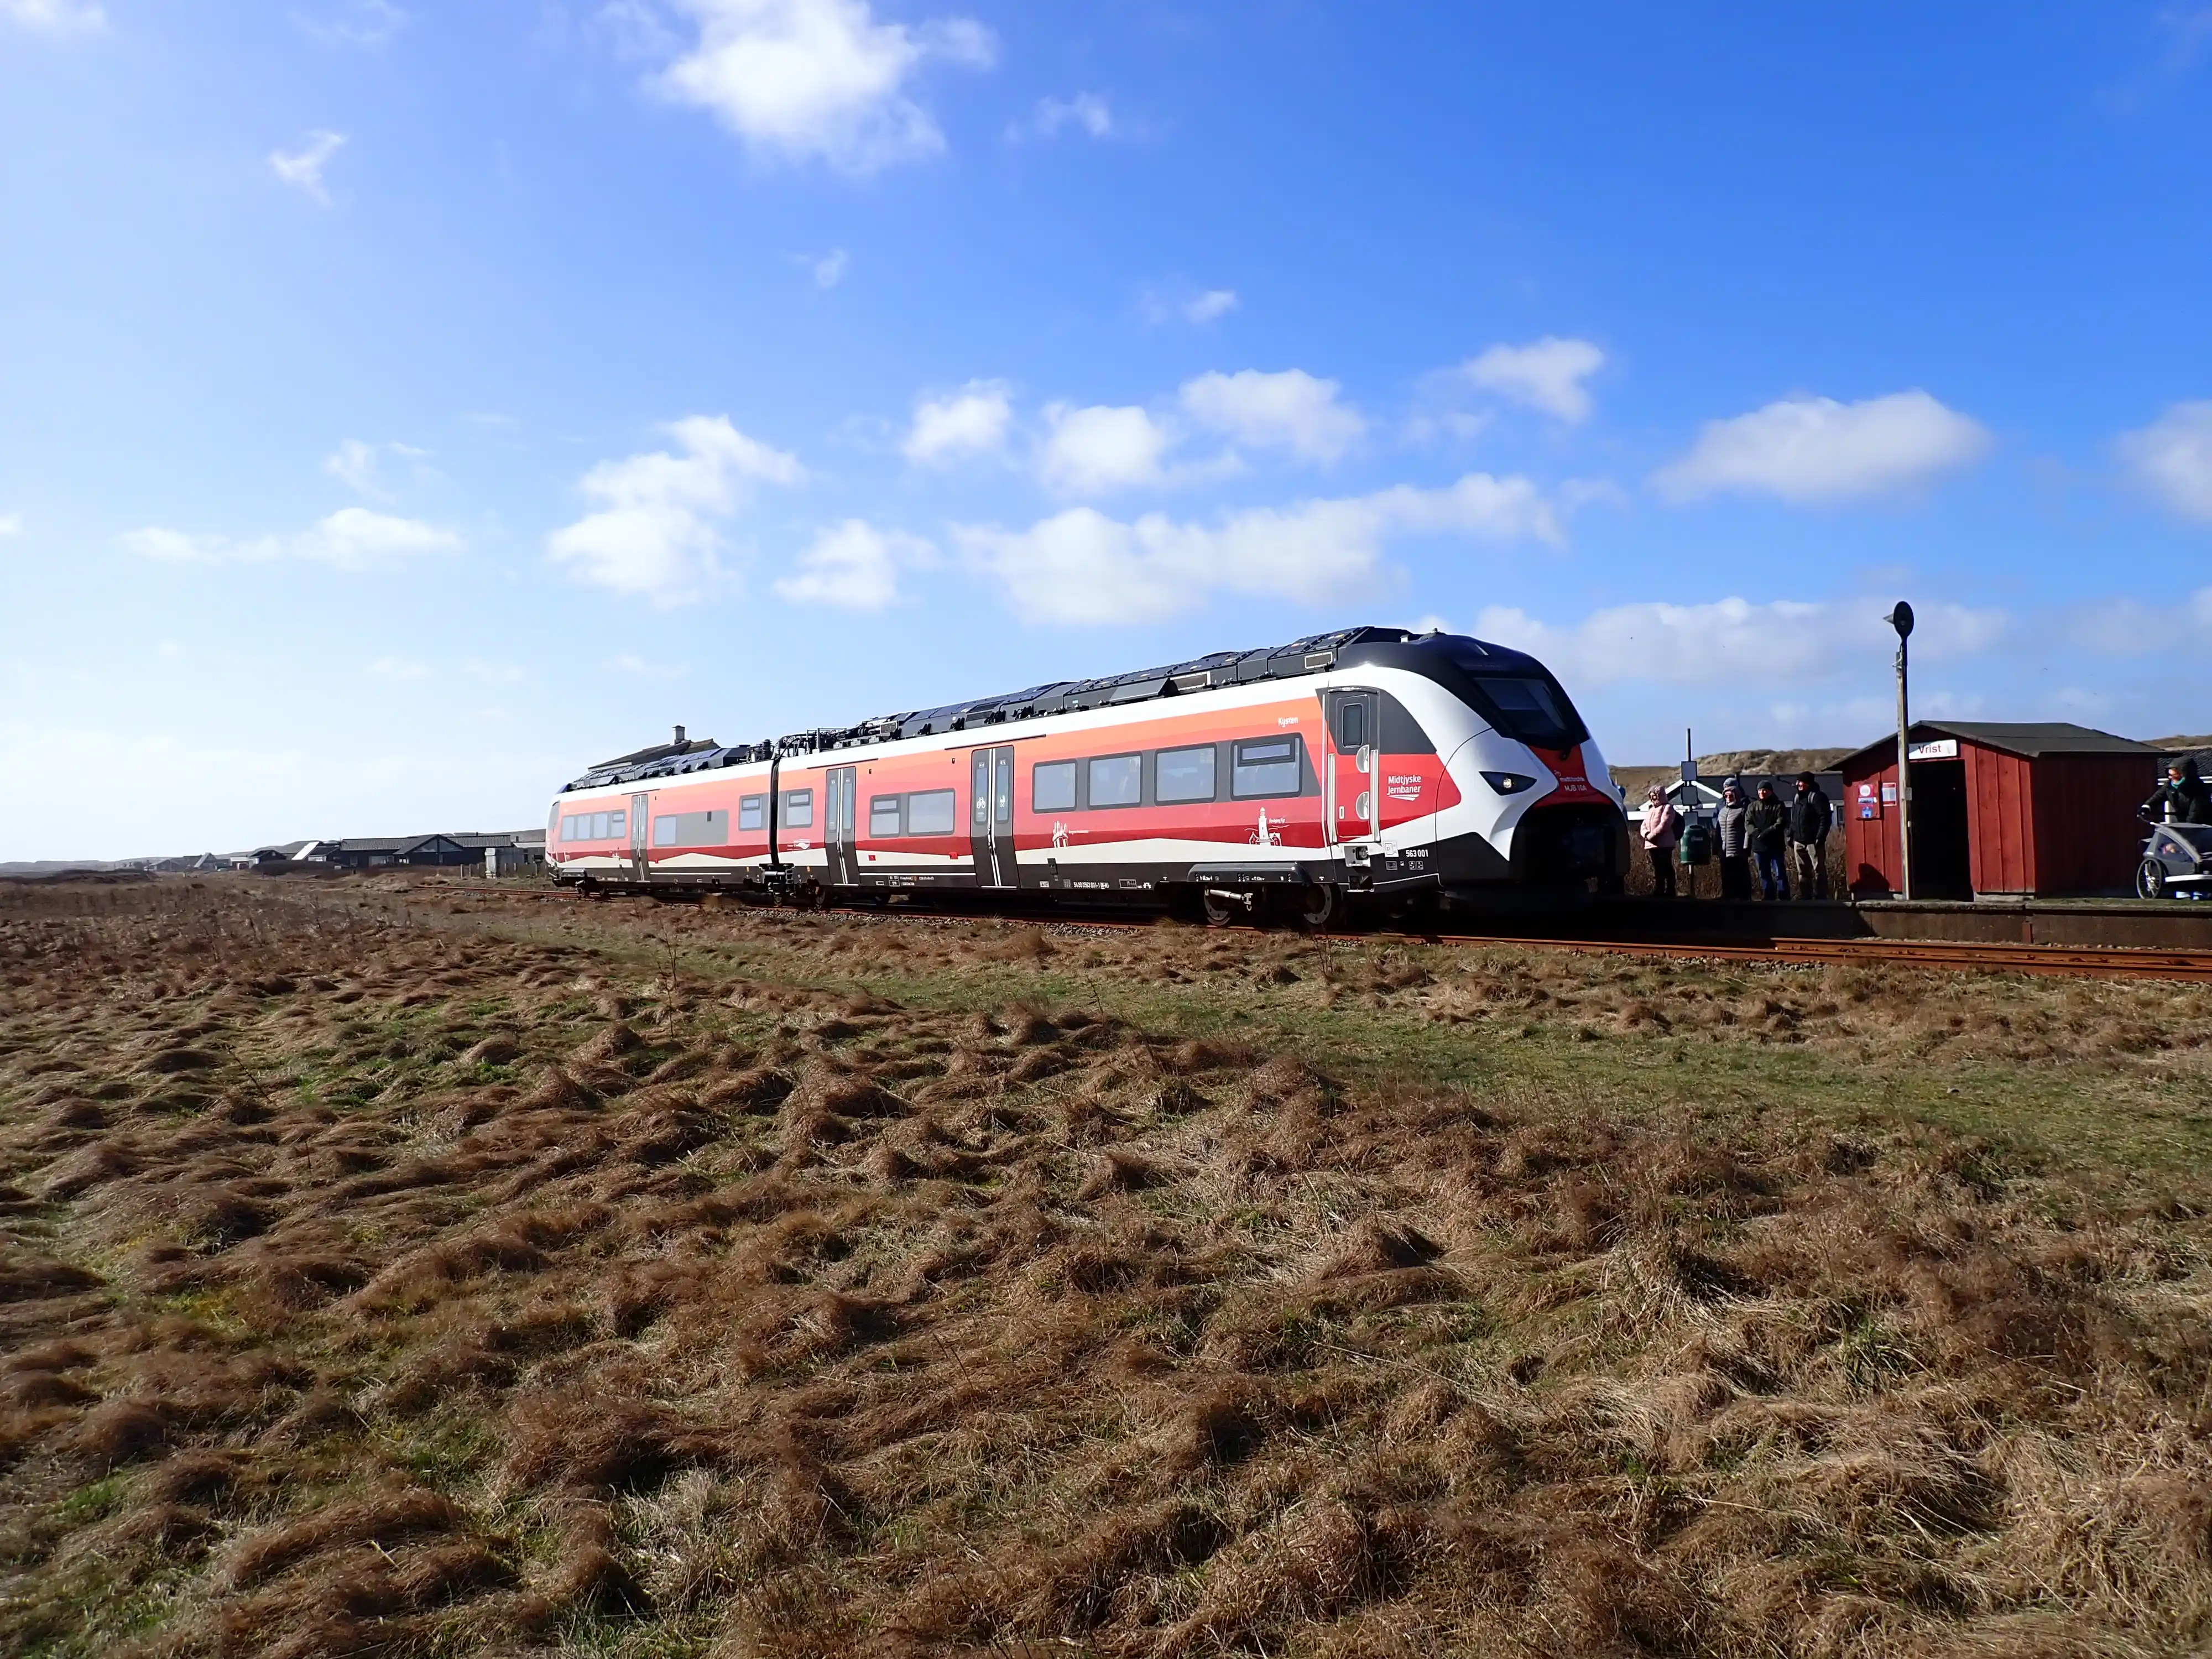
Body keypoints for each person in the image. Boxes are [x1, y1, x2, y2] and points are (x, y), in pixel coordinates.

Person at [1788, 771, 1833, 899]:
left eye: (1801, 782)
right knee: (1802, 871)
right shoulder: (1797, 798)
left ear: (1808, 783)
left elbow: (1825, 818)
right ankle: (1805, 894)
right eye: (1798, 782)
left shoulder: (1818, 797)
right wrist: (1790, 835)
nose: (1798, 785)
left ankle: (1820, 895)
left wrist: (1820, 837)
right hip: (1799, 841)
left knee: (1819, 869)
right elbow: (1794, 819)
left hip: (1813, 841)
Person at [1747, 779, 1790, 901]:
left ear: (1770, 791)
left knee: (1780, 873)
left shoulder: (1778, 805)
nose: (1762, 792)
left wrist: (1767, 833)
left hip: (1775, 845)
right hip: (1759, 846)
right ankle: (1768, 895)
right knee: (1764, 874)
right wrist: (1756, 833)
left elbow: (1780, 822)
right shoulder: (1753, 806)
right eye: (1760, 790)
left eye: (1764, 790)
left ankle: (1784, 896)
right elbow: (1748, 823)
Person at [2142, 758, 2212, 826]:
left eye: (2174, 776)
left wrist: (2187, 828)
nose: (2170, 778)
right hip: (2183, 823)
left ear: (2184, 775)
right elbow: (2158, 797)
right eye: (2169, 775)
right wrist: (2147, 806)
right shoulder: (2169, 786)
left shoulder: (2199, 789)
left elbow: (2195, 814)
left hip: (2203, 827)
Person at [1640, 783, 1681, 896]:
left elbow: (1665, 824)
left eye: (1655, 796)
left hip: (1665, 844)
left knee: (1666, 866)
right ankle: (1659, 889)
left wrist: (1653, 836)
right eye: (1651, 796)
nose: (1653, 799)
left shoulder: (1668, 808)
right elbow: (1644, 825)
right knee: (1657, 868)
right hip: (1652, 845)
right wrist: (1647, 834)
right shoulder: (1651, 810)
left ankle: (1670, 890)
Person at [1715, 776, 1752, 900]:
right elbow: (1718, 831)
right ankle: (1727, 894)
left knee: (1741, 874)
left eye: (1731, 795)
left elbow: (1747, 829)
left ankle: (1744, 896)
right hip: (1725, 850)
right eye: (1726, 796)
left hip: (1738, 848)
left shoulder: (1742, 811)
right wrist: (1717, 847)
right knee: (1726, 874)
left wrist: (1746, 846)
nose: (1729, 798)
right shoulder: (1722, 812)